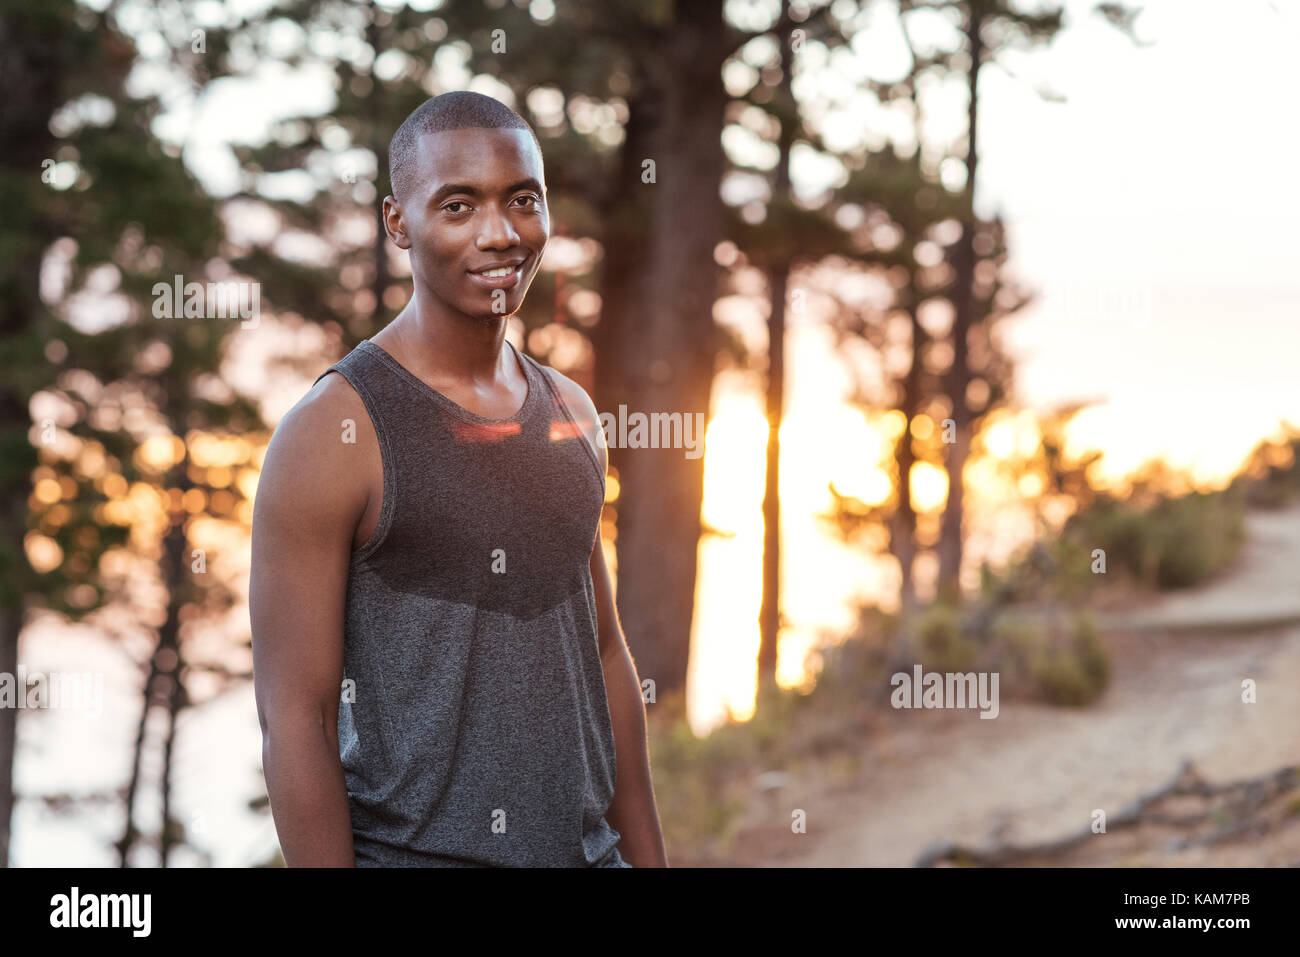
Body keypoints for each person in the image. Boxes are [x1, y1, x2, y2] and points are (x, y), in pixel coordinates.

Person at [250, 91, 668, 867]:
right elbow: (294, 717)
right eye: (458, 205)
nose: (500, 233)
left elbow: (605, 652)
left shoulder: (570, 411)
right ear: (398, 222)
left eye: (522, 200)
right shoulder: (334, 432)